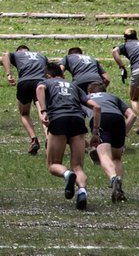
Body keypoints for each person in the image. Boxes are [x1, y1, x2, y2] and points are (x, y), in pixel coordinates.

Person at [37, 61, 91, 209]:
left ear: (48, 76)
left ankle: (67, 174)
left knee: (53, 164)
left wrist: (43, 111)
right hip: (77, 120)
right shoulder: (74, 85)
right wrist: (96, 130)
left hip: (59, 119)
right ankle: (82, 192)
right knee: (78, 166)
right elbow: (96, 106)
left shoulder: (47, 82)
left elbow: (40, 88)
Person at [84, 79, 136, 202]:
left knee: (103, 155)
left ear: (89, 92)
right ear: (104, 91)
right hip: (118, 119)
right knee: (116, 157)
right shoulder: (112, 97)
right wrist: (123, 133)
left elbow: (79, 118)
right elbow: (132, 115)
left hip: (100, 119)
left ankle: (113, 179)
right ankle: (119, 188)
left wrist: (86, 140)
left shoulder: (86, 98)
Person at [0, 43, 49, 154]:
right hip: (41, 83)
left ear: (18, 51)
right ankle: (48, 138)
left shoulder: (17, 54)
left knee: (24, 113)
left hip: (25, 83)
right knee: (43, 111)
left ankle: (34, 140)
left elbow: (5, 55)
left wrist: (8, 74)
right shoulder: (41, 56)